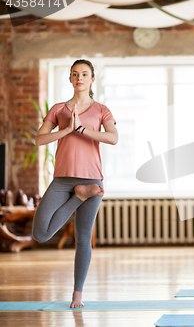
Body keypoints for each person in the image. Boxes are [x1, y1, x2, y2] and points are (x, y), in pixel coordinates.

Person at [32, 59, 118, 308]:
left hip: (92, 178)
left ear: (92, 79)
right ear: (70, 79)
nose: (79, 78)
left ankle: (77, 293)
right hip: (62, 179)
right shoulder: (59, 109)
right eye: (75, 74)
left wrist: (82, 129)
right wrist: (66, 129)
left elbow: (113, 138)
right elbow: (40, 139)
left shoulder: (102, 109)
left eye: (84, 74)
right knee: (40, 233)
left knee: (82, 237)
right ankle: (79, 196)